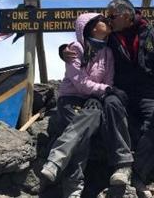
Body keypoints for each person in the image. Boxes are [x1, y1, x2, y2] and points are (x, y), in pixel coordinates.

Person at [60, 0, 154, 197]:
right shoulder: (111, 36)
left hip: (147, 95)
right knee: (110, 104)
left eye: (111, 16)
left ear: (126, 16)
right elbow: (86, 43)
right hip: (119, 91)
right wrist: (63, 50)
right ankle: (122, 165)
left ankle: (138, 173)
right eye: (106, 18)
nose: (108, 21)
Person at [41, 13, 114, 198]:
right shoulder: (76, 48)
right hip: (71, 99)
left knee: (85, 124)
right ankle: (74, 188)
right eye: (102, 21)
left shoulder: (108, 52)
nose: (106, 23)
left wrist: (102, 91)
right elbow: (79, 83)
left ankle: (56, 160)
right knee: (82, 137)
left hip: (93, 100)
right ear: (91, 26)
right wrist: (103, 89)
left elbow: (109, 81)